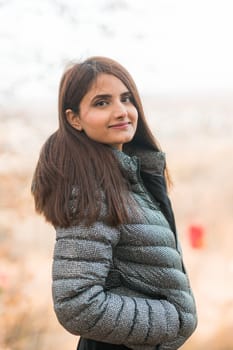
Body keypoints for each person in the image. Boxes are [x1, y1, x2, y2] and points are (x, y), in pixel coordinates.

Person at [31, 56, 197, 350]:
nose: (121, 112)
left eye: (126, 99)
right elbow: (77, 304)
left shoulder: (133, 176)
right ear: (74, 119)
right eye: (101, 103)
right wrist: (173, 318)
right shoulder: (90, 191)